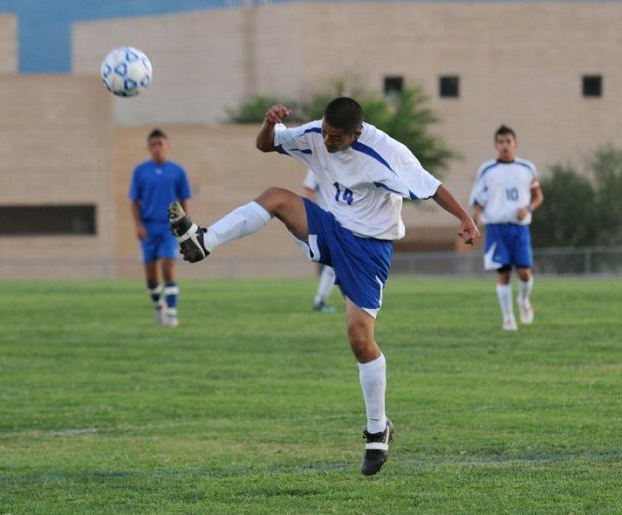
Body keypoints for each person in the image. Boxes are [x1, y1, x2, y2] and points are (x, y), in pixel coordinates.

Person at [168, 97, 479, 475]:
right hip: (332, 226)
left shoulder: (386, 153)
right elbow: (266, 145)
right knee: (275, 197)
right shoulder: (316, 134)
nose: (328, 143)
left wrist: (465, 218)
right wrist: (268, 124)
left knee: (360, 339)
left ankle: (377, 430)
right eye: (327, 134)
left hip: (369, 248)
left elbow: (432, 186)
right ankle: (205, 240)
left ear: (356, 133)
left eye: (336, 137)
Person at [469, 125, 543, 331]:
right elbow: (478, 200)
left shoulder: (527, 168)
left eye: (508, 141)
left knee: (524, 273)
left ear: (515, 144)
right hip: (496, 228)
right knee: (503, 273)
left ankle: (524, 300)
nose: (504, 145)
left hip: (519, 228)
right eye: (500, 142)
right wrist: (474, 219)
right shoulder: (487, 170)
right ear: (495, 145)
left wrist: (527, 208)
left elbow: (538, 196)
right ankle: (508, 317)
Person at [129, 128, 192, 328]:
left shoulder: (178, 171)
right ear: (148, 147)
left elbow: (184, 199)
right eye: (153, 145)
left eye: (160, 144)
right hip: (148, 228)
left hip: (169, 227)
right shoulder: (140, 171)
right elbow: (134, 201)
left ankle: (172, 314)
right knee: (151, 277)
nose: (157, 148)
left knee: (168, 267)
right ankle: (159, 306)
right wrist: (138, 225)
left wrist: (184, 224)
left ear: (167, 146)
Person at [303, 168, 337, 313]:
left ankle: (320, 301)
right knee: (337, 263)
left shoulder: (339, 162)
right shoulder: (316, 164)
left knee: (335, 264)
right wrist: (316, 215)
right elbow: (308, 188)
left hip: (341, 220)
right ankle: (320, 300)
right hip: (328, 220)